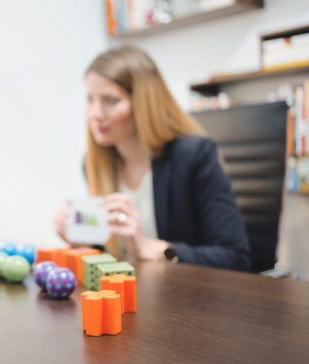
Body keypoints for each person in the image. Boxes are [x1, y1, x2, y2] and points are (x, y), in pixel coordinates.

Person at [54, 46, 250, 271]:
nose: (95, 113)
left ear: (144, 103)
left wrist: (155, 249)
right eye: (90, 99)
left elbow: (236, 257)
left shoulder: (193, 155)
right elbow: (114, 256)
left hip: (186, 298)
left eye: (110, 100)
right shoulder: (93, 164)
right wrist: (83, 242)